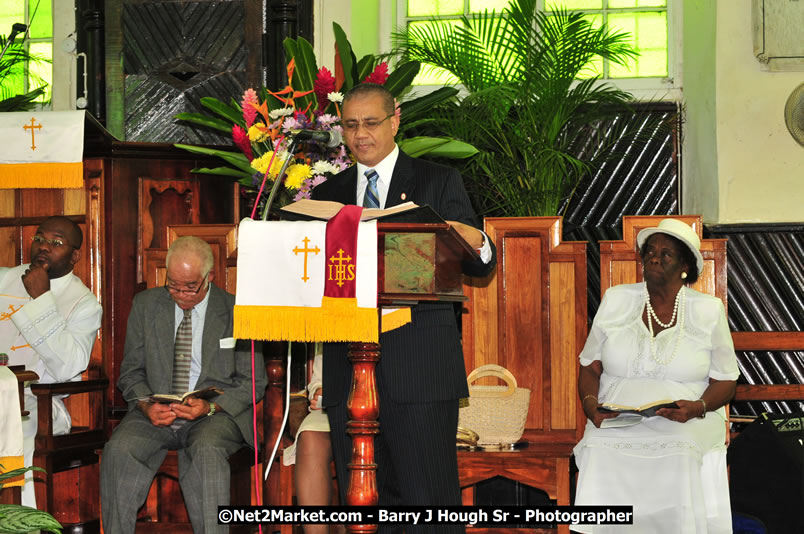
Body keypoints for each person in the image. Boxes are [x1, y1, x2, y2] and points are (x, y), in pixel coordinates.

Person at [311, 82, 496, 532]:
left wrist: (477, 239)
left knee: (427, 500)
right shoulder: (327, 194)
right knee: (362, 505)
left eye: (371, 123)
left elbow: (478, 257)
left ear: (395, 120)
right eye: (351, 125)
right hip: (348, 370)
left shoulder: (437, 181)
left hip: (419, 368)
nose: (360, 135)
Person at [574, 218, 739, 533]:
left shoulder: (708, 310)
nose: (654, 258)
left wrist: (697, 408)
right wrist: (591, 405)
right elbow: (589, 365)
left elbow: (726, 381)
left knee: (679, 447)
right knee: (598, 445)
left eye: (666, 254)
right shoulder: (616, 300)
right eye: (650, 252)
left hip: (687, 417)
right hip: (618, 415)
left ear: (685, 267)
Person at [100, 236, 267, 534]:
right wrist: (145, 404)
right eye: (173, 285)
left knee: (207, 449)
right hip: (156, 411)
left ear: (209, 277)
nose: (180, 294)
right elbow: (130, 372)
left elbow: (253, 381)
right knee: (119, 449)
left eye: (190, 286)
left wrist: (210, 406)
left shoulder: (237, 311)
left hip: (215, 415)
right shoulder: (146, 305)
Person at [0, 216, 102, 506]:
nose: (44, 247)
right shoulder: (5, 279)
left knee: (18, 440)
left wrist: (42, 297)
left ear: (75, 255)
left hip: (36, 405)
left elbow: (68, 366)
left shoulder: (84, 303)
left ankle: (20, 523)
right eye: (40, 239)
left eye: (56, 243)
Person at [282, 344, 335, 534]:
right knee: (310, 435)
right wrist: (319, 391)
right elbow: (318, 380)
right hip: (333, 406)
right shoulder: (331, 318)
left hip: (383, 400)